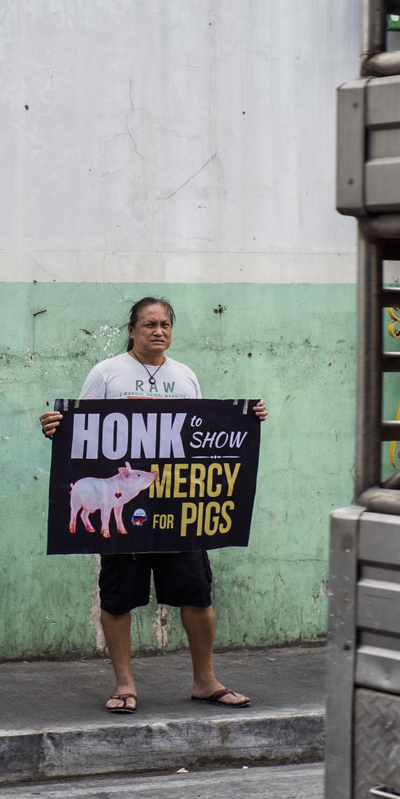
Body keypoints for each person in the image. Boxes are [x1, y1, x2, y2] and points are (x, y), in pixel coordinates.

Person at [39, 297, 266, 715]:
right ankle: (125, 683)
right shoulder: (107, 373)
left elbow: (201, 436)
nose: (158, 331)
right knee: (120, 596)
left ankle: (205, 681)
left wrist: (247, 419)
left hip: (178, 508)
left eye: (165, 324)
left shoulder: (185, 377)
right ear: (132, 329)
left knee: (197, 593)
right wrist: (56, 428)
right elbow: (81, 433)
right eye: (148, 324)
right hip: (123, 507)